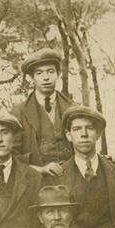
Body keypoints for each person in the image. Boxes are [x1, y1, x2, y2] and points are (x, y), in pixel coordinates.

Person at [59, 105, 115, 228]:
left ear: (98, 133)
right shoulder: (59, 174)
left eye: (89, 128)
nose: (83, 134)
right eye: (77, 129)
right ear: (68, 135)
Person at [10, 48, 74, 176]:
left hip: (70, 176)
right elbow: (11, 155)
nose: (46, 78)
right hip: (35, 180)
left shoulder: (73, 108)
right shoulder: (18, 112)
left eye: (50, 72)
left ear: (58, 74)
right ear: (31, 78)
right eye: (39, 73)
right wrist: (40, 169)